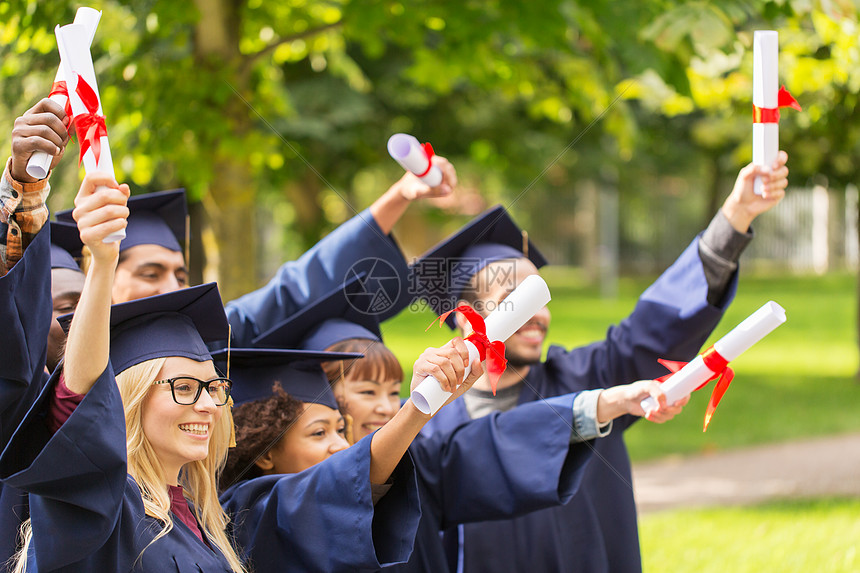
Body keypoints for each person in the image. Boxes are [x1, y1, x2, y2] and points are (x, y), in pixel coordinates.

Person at [0, 172, 480, 572]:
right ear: (126, 396)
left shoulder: (215, 519)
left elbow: (334, 488)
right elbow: (77, 413)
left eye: (213, 387)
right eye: (185, 388)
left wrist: (420, 404)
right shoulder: (105, 509)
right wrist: (101, 261)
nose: (208, 402)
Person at [411, 155, 790, 573]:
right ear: (466, 315)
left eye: (540, 296)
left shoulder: (589, 379)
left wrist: (736, 214)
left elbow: (655, 326)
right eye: (513, 302)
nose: (538, 315)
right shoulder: (428, 430)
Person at [251, 277, 681, 573]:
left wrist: (604, 402)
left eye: (393, 392)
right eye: (365, 393)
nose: (385, 406)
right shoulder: (250, 513)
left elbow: (493, 445)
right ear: (266, 450)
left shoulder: (416, 466)